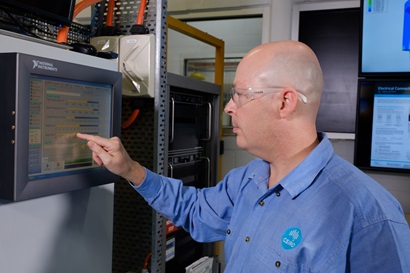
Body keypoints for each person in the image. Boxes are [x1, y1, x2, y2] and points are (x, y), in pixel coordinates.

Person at [77, 40, 410, 272]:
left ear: (285, 102)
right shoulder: (249, 179)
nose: (229, 107)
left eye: (240, 95)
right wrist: (131, 169)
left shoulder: (369, 216)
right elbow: (194, 211)